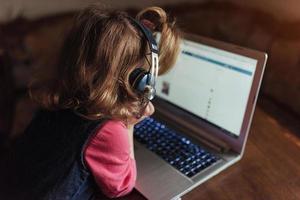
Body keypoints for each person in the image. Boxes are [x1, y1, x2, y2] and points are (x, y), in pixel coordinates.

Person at [1, 5, 181, 200]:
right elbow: (120, 187)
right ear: (141, 83)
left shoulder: (59, 97)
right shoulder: (110, 129)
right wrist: (128, 124)